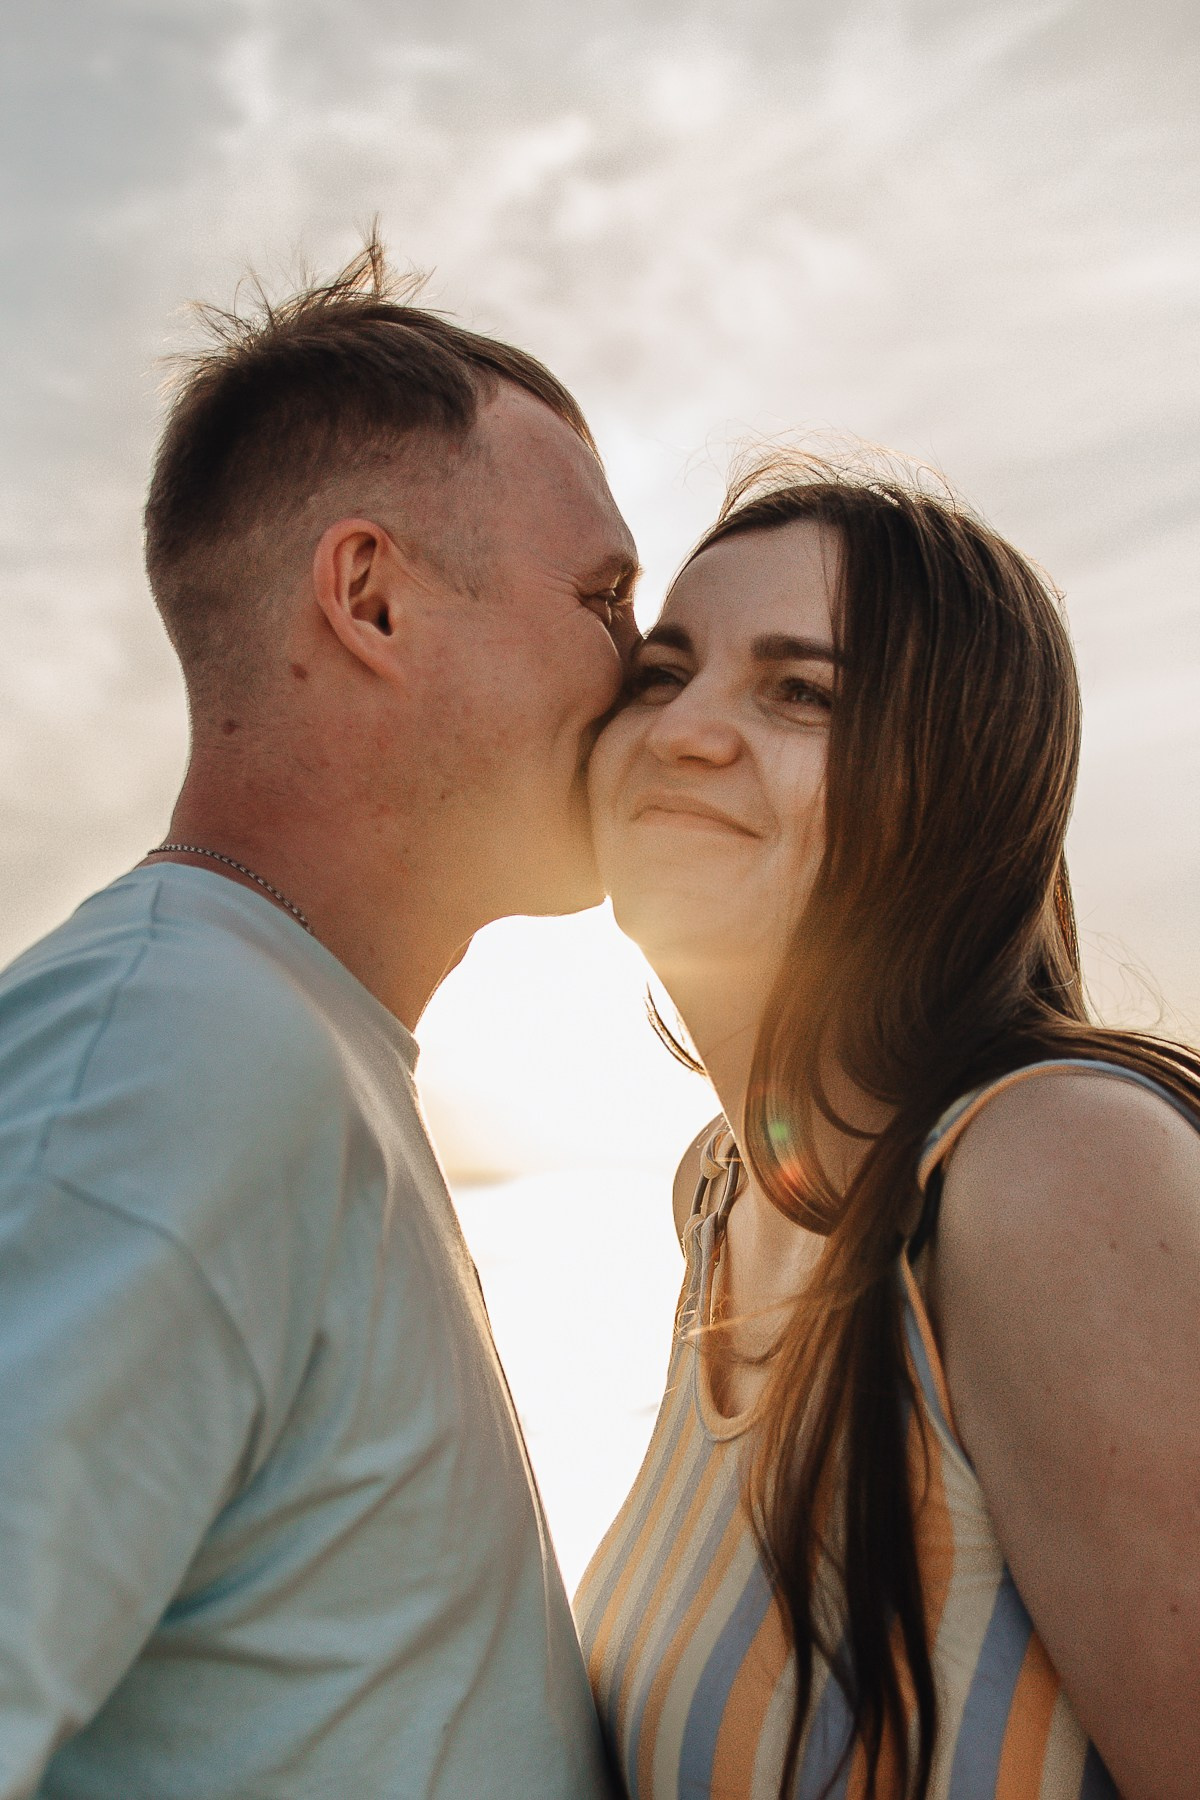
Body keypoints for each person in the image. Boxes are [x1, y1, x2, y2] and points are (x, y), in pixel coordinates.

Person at [0, 238, 638, 1799]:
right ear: (371, 599)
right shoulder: (175, 1056)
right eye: (607, 598)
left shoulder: (281, 1041)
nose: (649, 668)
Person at [576, 456, 1200, 1800]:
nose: (686, 728)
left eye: (799, 693)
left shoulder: (1052, 1168)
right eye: (663, 670)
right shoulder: (722, 1194)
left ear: (954, 792)